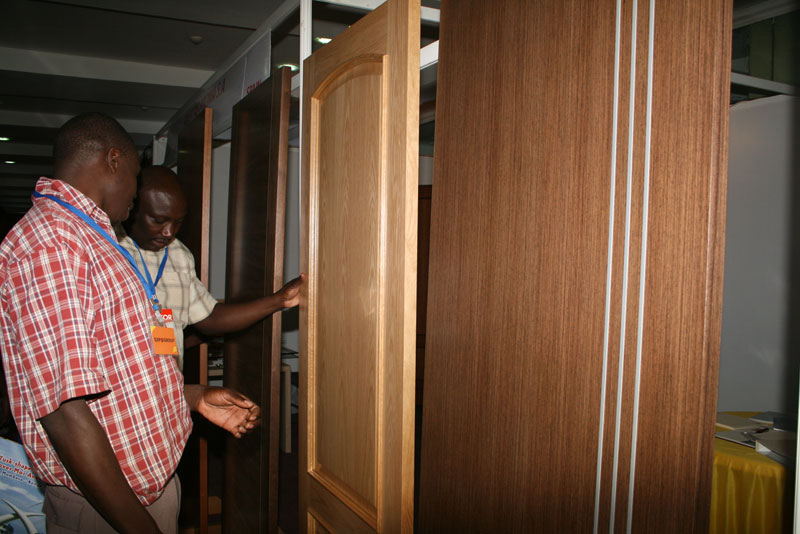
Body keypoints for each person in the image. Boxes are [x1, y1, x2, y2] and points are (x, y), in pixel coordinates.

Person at [0, 112, 260, 534]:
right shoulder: (52, 245)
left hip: (140, 495)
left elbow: (116, 373)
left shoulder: (89, 238)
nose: (136, 195)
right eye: (137, 177)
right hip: (110, 510)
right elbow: (65, 413)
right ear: (114, 160)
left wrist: (193, 397)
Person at [118, 165, 303, 369]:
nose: (169, 232)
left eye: (178, 222)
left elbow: (209, 318)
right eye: (159, 221)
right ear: (131, 208)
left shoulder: (179, 254)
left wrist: (279, 300)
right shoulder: (108, 249)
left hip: (167, 385)